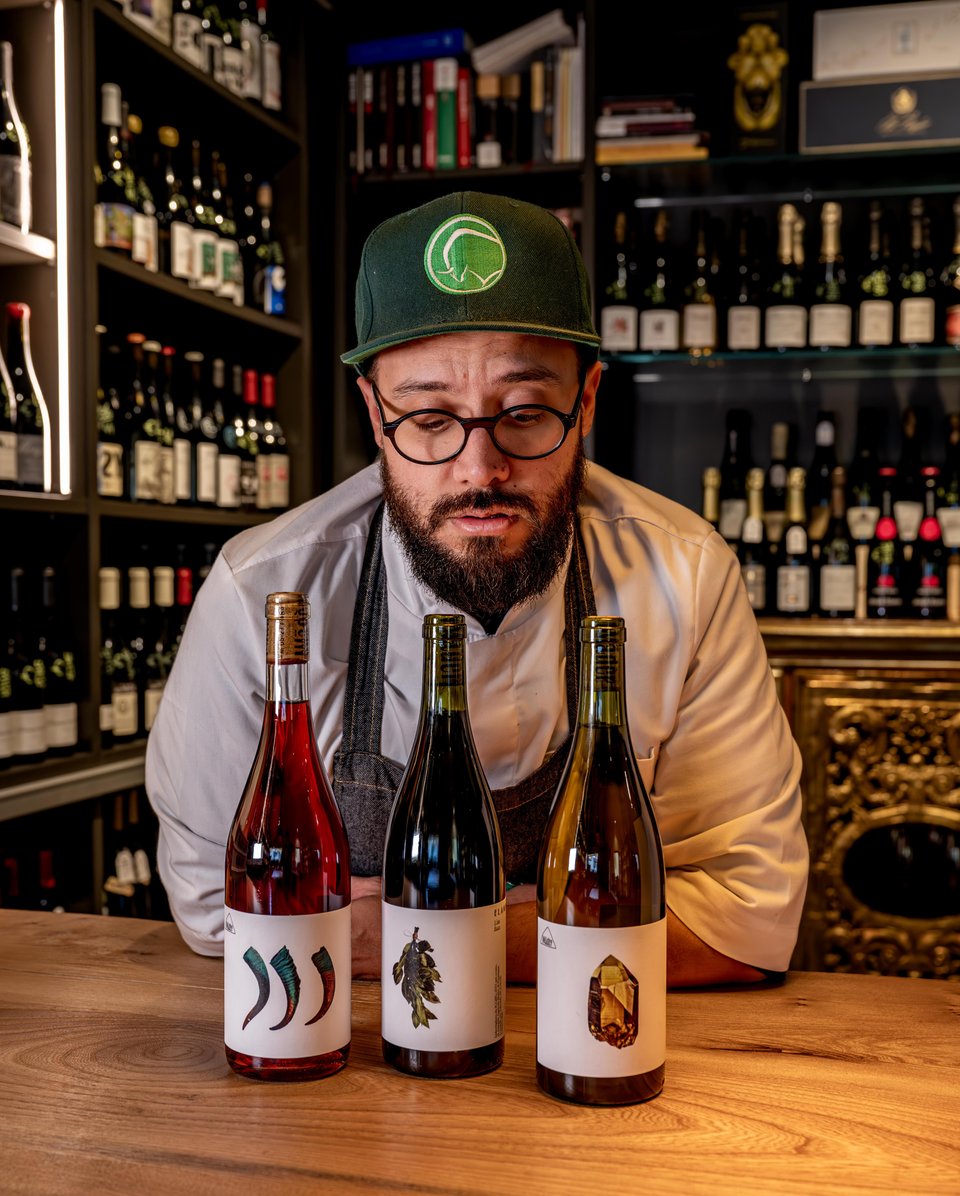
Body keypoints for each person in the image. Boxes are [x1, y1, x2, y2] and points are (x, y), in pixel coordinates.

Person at [146, 191, 808, 986]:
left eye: (524, 413)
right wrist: (573, 913)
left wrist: (376, 921)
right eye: (430, 420)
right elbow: (216, 909)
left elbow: (747, 919)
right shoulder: (263, 591)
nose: (479, 470)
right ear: (374, 411)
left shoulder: (687, 577)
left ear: (586, 400)